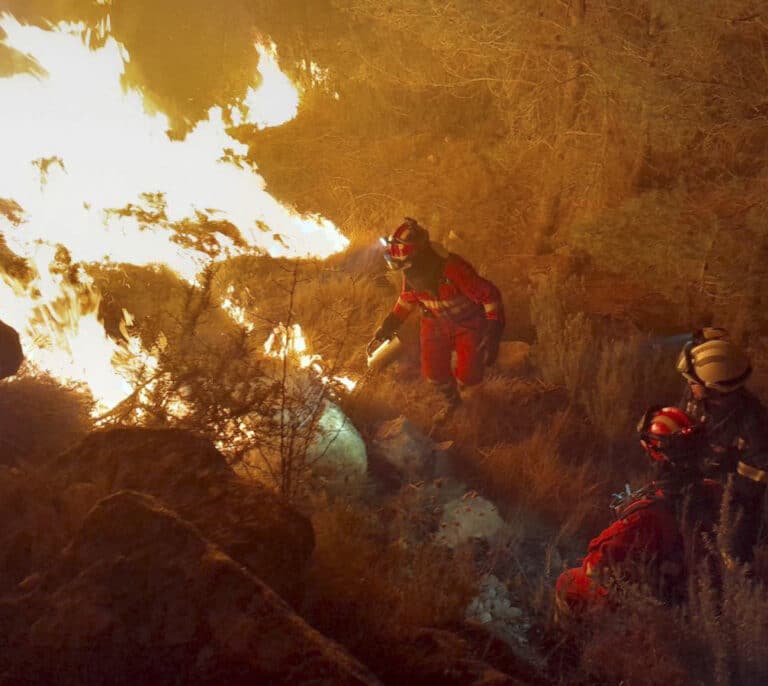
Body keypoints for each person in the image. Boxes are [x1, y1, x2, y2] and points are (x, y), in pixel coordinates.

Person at [555, 407, 721, 621]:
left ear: (657, 455)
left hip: (660, 613)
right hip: (703, 602)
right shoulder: (714, 492)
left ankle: (570, 646)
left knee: (568, 580)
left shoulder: (646, 517)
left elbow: (596, 565)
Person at [367, 218, 504, 421]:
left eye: (404, 262)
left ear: (419, 256)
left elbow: (489, 296)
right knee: (434, 372)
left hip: (468, 324)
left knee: (469, 375)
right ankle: (453, 403)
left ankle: (475, 408)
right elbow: (406, 301)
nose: (403, 269)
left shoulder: (454, 269)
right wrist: (389, 325)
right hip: (434, 324)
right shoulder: (413, 273)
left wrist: (493, 332)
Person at [675, 332, 768, 565]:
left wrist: (716, 478)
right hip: (693, 486)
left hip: (731, 504)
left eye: (694, 381)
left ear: (716, 388)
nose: (689, 384)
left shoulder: (753, 426)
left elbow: (750, 488)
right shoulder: (696, 397)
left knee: (730, 556)